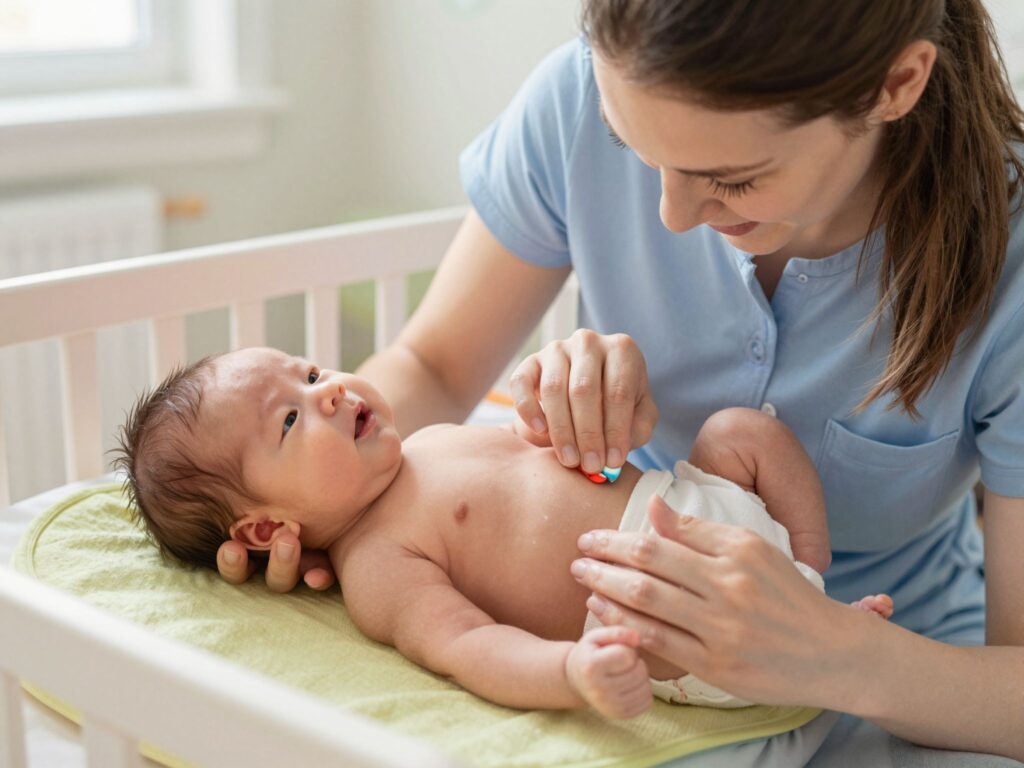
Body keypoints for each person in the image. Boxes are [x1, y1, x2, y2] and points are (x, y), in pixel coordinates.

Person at [218, 0, 1024, 762]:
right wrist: (317, 501)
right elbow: (432, 368)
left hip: (908, 663)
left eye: (733, 178)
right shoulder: (576, 93)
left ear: (896, 85)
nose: (669, 215)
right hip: (644, 657)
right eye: (630, 147)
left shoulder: (1010, 266)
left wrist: (834, 651)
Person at [115, 346, 893, 717]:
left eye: (312, 373)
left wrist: (555, 416)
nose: (326, 393)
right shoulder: (378, 565)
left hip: (691, 498)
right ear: (263, 528)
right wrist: (572, 670)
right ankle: (807, 628)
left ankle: (815, 586)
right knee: (684, 615)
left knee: (742, 431)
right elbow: (469, 647)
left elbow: (555, 458)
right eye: (289, 418)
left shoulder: (427, 440)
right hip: (663, 607)